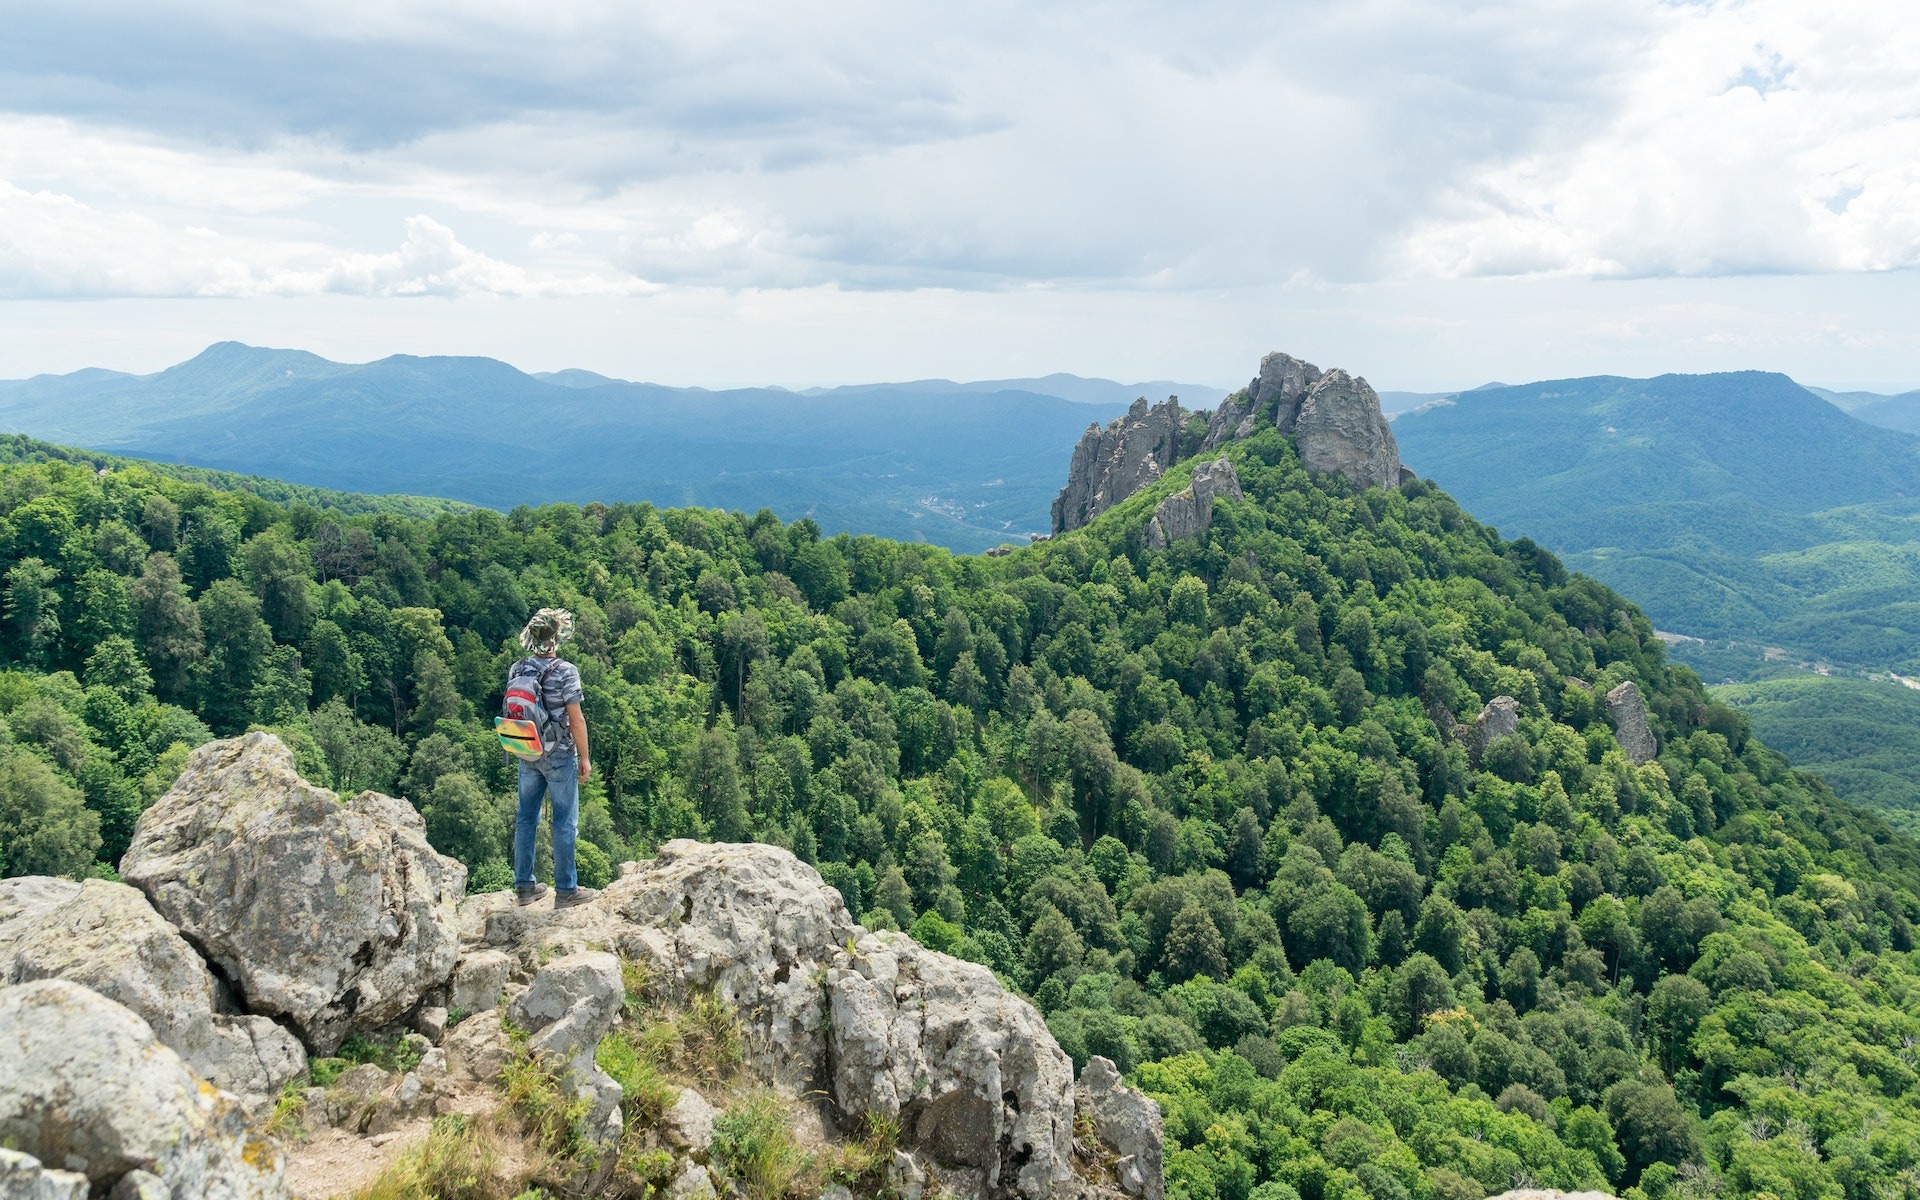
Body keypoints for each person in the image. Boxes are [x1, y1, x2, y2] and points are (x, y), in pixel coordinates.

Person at [510, 608, 598, 908]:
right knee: (564, 823)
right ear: (557, 637)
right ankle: (566, 890)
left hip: (527, 751)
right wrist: (584, 757)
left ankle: (524, 887)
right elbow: (577, 721)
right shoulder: (565, 671)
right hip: (560, 755)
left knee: (525, 820)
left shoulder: (517, 669)